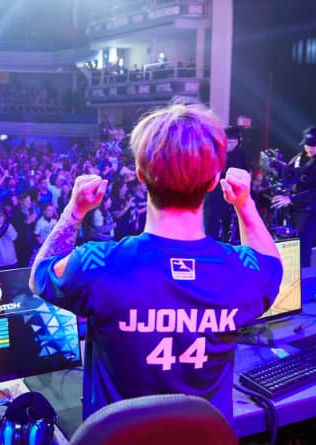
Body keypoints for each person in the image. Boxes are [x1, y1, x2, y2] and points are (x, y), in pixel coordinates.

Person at [29, 101, 283, 424]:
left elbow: (39, 276)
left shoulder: (98, 264)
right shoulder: (239, 270)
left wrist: (74, 211)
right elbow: (272, 268)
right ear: (212, 181)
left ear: (139, 175)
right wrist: (244, 205)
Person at [272, 126, 316, 267]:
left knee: (302, 246)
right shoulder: (299, 157)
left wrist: (291, 199)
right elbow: (286, 176)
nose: (309, 148)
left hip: (312, 209)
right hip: (294, 209)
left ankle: (303, 280)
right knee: (290, 245)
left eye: (313, 145)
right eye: (307, 144)